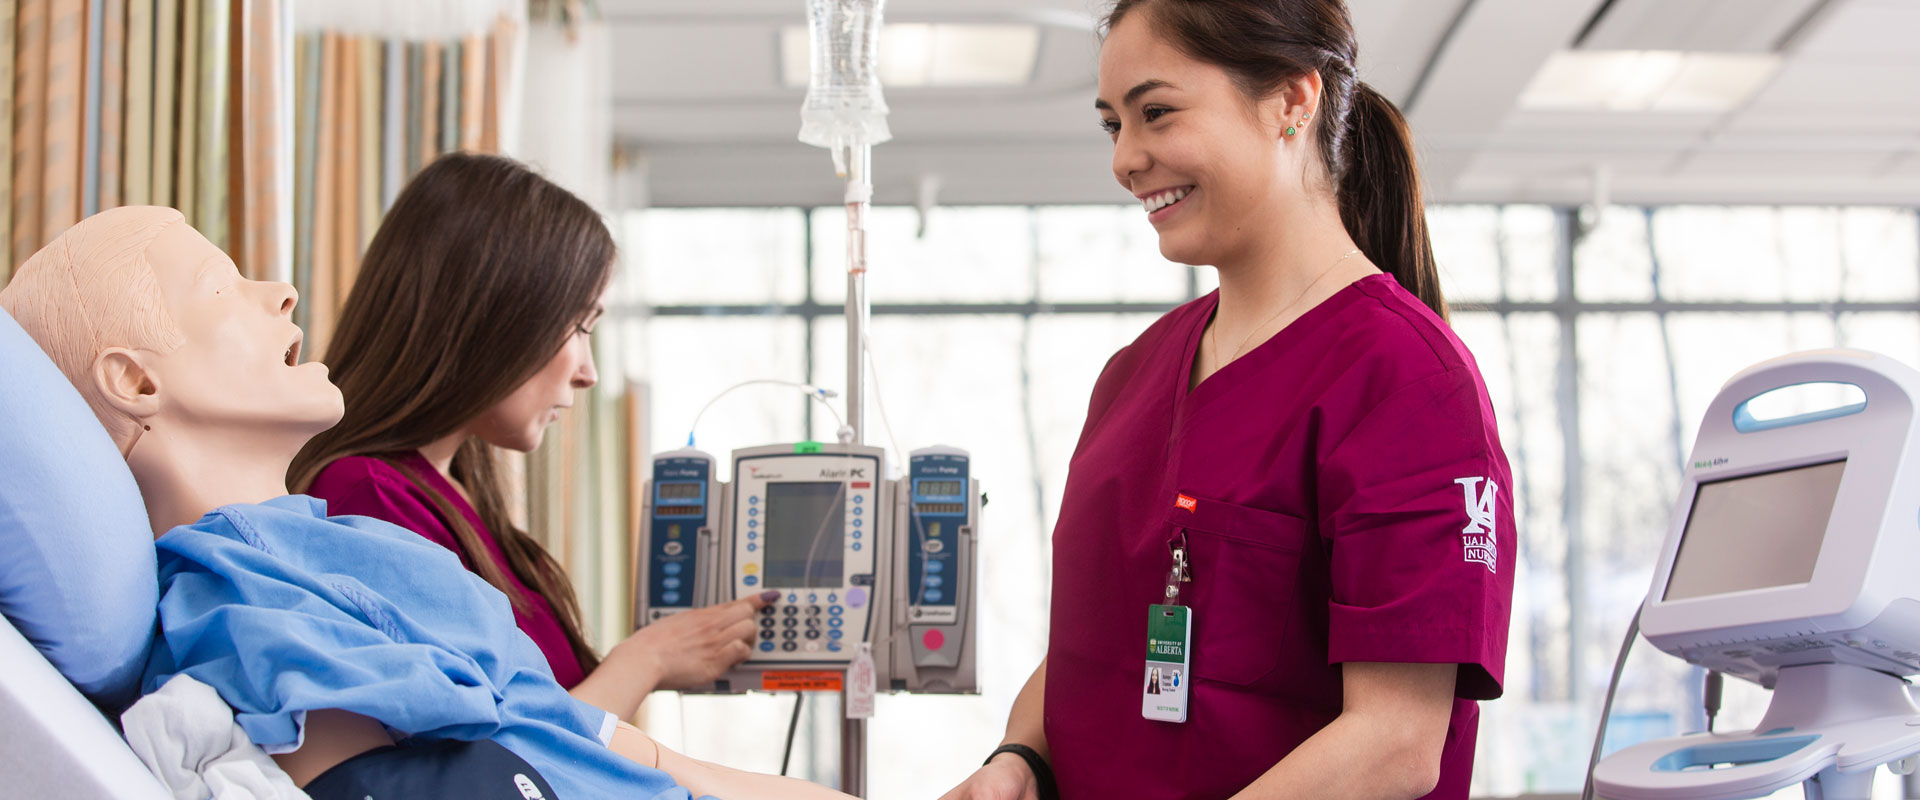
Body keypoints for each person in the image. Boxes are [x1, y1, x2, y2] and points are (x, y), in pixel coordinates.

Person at [0, 205, 854, 799]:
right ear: (138, 380)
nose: (284, 293)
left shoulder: (342, 545)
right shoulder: (241, 593)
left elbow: (627, 754)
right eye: (223, 286)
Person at [940, 1, 1515, 798]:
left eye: (1158, 113)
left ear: (1292, 100)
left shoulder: (1406, 379)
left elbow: (1397, 742)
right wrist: (1018, 758)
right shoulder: (1131, 375)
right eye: (1113, 125)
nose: (1126, 159)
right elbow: (1095, 651)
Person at [287, 153, 763, 720]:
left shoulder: (452, 493)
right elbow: (495, 758)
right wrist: (649, 659)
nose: (588, 373)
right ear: (495, 316)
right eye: (580, 327)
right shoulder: (365, 498)